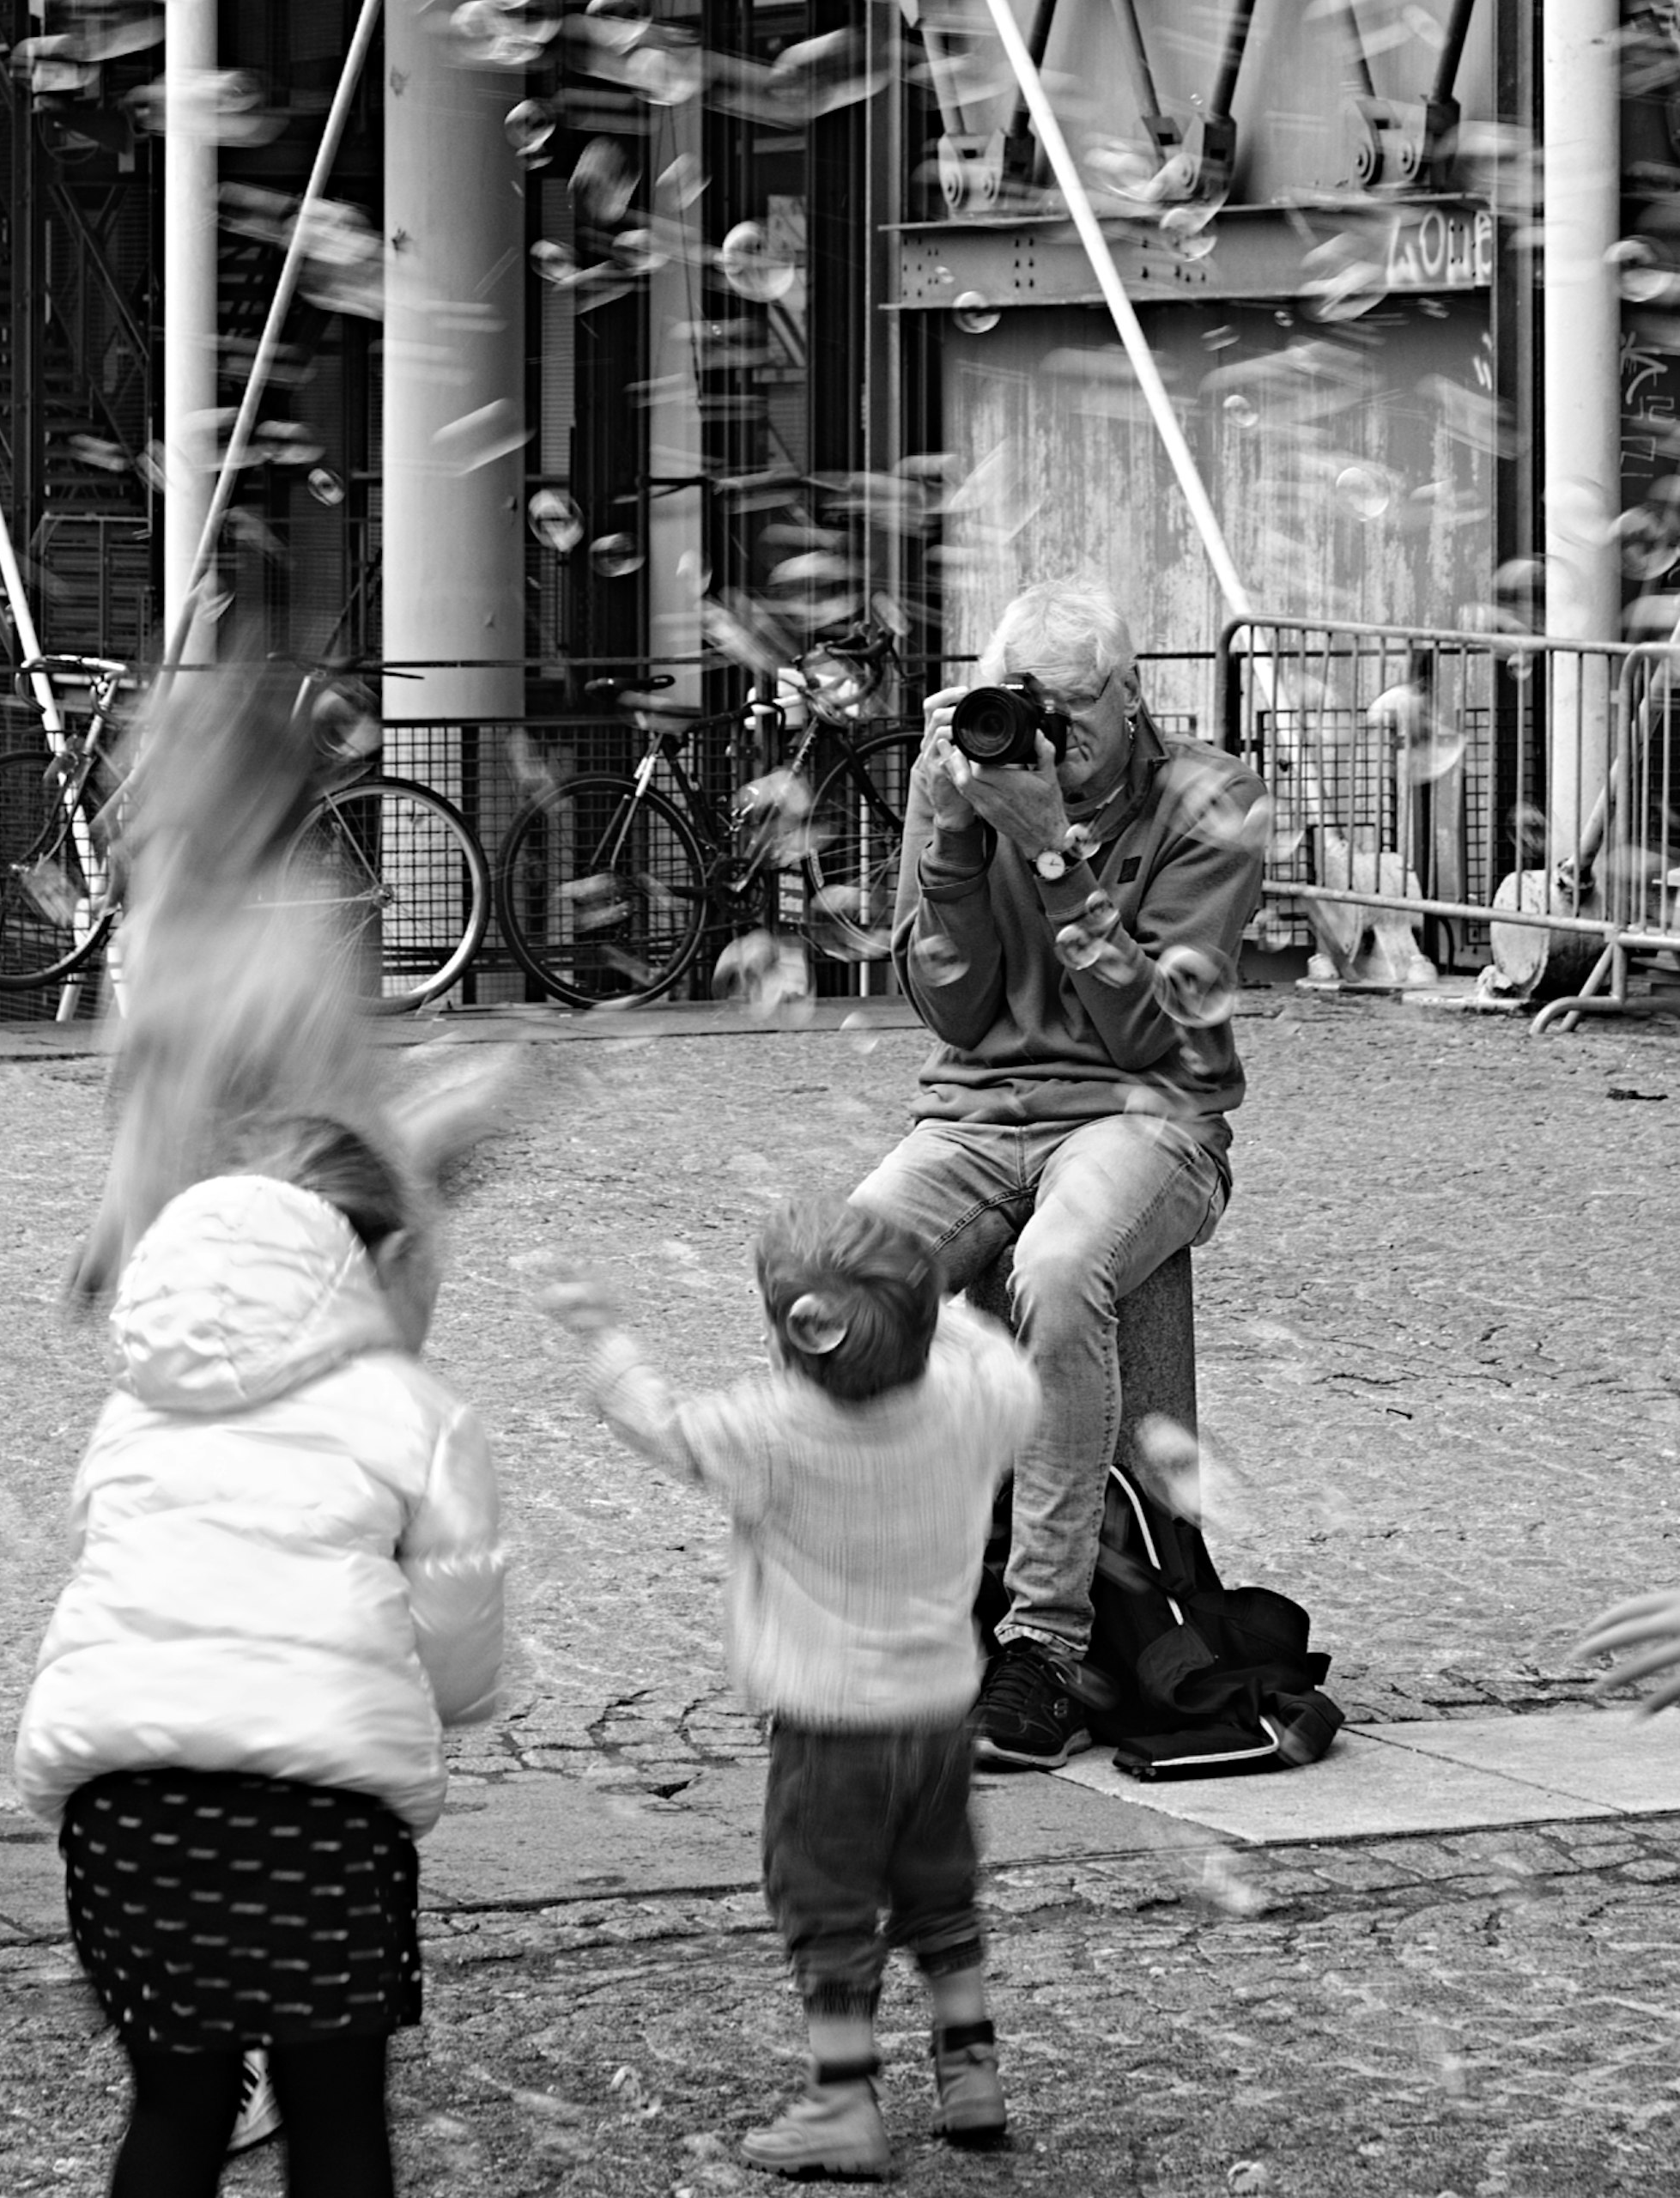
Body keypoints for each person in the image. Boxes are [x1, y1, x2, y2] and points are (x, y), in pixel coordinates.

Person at [14, 1114, 507, 2198]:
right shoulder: (412, 1411)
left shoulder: (131, 1410)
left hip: (127, 1816)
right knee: (334, 2114)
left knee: (177, 2103)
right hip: (316, 1823)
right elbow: (462, 1664)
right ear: (371, 1265)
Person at [530, 1198, 1040, 2179]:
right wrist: (948, 1311)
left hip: (830, 1732)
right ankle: (971, 2070)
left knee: (828, 1908)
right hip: (941, 1718)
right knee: (941, 1891)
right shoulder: (976, 1406)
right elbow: (1006, 1365)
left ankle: (844, 2105)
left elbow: (661, 1427)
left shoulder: (769, 1429)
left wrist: (606, 1338)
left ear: (800, 1332)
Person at [858, 577, 1268, 1772]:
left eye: (1073, 708)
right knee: (842, 1279)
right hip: (978, 1115)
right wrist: (945, 826)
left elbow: (1151, 1032)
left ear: (1134, 696)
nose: (1044, 734)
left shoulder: (1212, 799)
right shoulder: (972, 783)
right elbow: (951, 1005)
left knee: (1059, 1267)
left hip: (1152, 1117)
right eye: (1021, 703)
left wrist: (1049, 854)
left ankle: (1045, 1645)